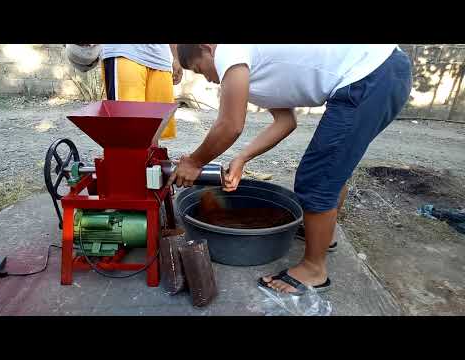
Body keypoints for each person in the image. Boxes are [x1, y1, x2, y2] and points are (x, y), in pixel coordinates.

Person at [167, 44, 412, 295]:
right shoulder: (250, 72)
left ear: (207, 47)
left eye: (200, 68)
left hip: (372, 75)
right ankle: (323, 238)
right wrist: (242, 158)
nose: (208, 78)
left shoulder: (230, 50)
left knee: (317, 178)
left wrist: (194, 162)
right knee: (333, 167)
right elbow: (286, 122)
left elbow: (230, 125)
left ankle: (314, 270)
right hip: (382, 73)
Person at [100, 44, 183, 141]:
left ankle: (148, 155)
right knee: (127, 124)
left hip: (160, 57)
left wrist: (177, 57)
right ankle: (126, 156)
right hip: (124, 51)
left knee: (155, 127)